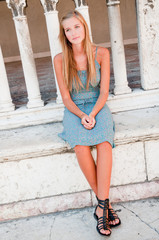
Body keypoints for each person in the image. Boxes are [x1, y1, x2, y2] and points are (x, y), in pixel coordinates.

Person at [54, 10, 121, 236]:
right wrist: (81, 115)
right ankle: (106, 206)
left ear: (84, 27)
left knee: (104, 143)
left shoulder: (101, 53)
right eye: (68, 29)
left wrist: (92, 113)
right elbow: (65, 98)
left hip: (97, 105)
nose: (73, 33)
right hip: (74, 108)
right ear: (64, 34)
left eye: (76, 27)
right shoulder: (60, 59)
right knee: (81, 146)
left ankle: (100, 207)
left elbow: (103, 93)